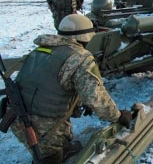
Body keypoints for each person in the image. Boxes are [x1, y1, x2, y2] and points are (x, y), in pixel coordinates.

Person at [9, 14, 132, 164]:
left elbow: (49, 84)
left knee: (52, 143)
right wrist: (118, 116)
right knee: (49, 158)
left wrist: (79, 102)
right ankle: (51, 154)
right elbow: (95, 97)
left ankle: (60, 148)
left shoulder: (40, 50)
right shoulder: (80, 57)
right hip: (41, 129)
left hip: (16, 118)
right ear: (85, 37)